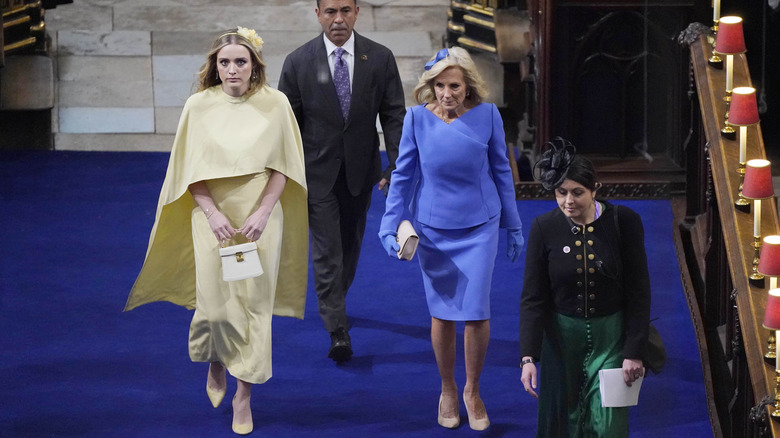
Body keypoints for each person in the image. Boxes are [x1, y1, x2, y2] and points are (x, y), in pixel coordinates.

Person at [124, 27, 308, 436]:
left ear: (254, 65)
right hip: (212, 216)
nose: (232, 69)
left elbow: (286, 167)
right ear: (214, 66)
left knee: (253, 306)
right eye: (224, 62)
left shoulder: (275, 104)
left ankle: (244, 395)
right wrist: (210, 213)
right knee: (217, 306)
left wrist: (263, 212)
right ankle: (216, 357)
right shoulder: (198, 106)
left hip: (260, 218)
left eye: (240, 61)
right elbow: (186, 170)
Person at [378, 47, 524, 431]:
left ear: (468, 85)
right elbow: (403, 177)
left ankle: (472, 391)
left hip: (480, 226)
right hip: (433, 229)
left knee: (476, 311)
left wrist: (514, 223)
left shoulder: (489, 116)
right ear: (430, 86)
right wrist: (388, 224)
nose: (446, 93)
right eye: (439, 85)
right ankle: (447, 388)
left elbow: (502, 173)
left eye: (454, 85)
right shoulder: (415, 120)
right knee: (442, 313)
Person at [278, 0, 406, 364]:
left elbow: (394, 113)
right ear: (317, 14)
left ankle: (335, 299)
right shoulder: (298, 61)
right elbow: (286, 125)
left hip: (361, 171)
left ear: (357, 12)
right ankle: (337, 329)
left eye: (345, 10)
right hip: (316, 173)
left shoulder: (379, 58)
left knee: (350, 246)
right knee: (327, 252)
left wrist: (396, 164)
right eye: (330, 11)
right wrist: (285, 172)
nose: (338, 19)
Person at [519, 138, 651, 437]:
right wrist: (528, 357)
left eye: (577, 193)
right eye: (561, 193)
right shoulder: (544, 227)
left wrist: (634, 350)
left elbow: (639, 291)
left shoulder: (625, 222)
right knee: (562, 423)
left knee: (608, 426)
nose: (568, 201)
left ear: (595, 189)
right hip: (560, 342)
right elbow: (533, 297)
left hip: (612, 340)